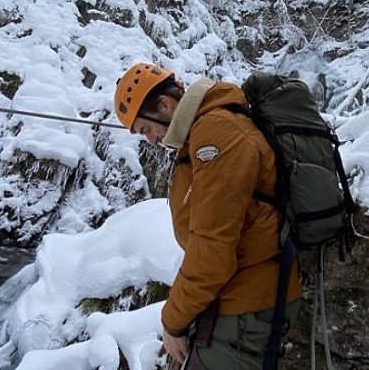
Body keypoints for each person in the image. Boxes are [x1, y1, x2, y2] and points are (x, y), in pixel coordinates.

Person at [114, 63, 301, 369]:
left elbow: (213, 246)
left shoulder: (216, 133)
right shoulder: (205, 131)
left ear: (165, 105)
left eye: (146, 129)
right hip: (239, 297)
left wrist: (173, 321)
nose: (150, 139)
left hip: (248, 305)